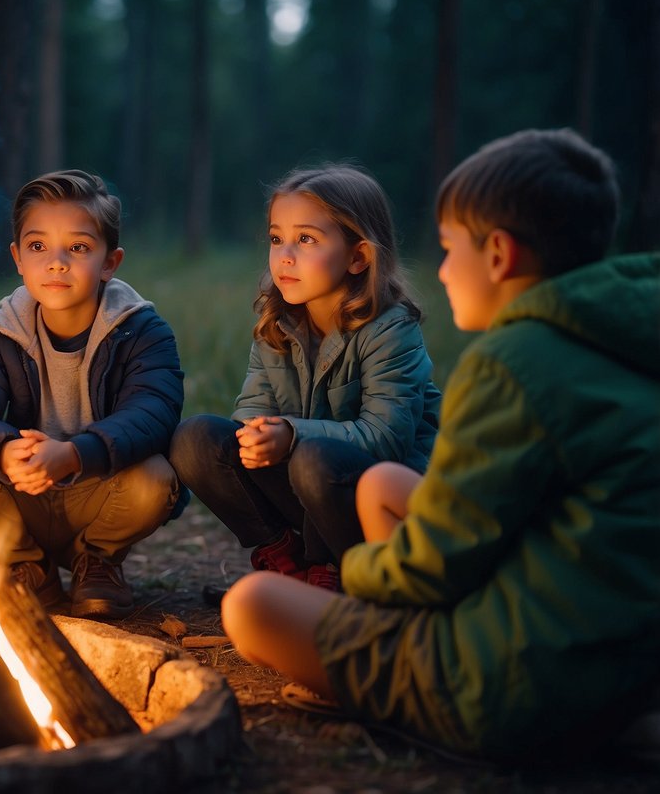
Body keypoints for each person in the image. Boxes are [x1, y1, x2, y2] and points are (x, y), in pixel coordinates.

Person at [221, 128, 660, 761]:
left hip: (513, 680)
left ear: (501, 256)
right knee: (383, 484)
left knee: (253, 606)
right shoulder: (622, 336)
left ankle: (391, 690)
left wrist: (360, 582)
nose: (444, 270)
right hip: (615, 652)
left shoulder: (513, 364)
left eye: (451, 249)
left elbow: (440, 557)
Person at [170, 164, 440, 590]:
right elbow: (254, 406)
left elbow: (388, 439)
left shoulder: (391, 329)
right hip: (303, 488)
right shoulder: (277, 322)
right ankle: (285, 559)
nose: (285, 255)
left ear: (358, 257)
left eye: (306, 239)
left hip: (371, 504)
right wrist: (256, 435)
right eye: (277, 239)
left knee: (313, 459)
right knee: (194, 439)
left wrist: (291, 436)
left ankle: (332, 570)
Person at [0, 169, 185, 619]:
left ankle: (99, 560)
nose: (56, 262)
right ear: (16, 257)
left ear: (110, 262)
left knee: (156, 477)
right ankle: (26, 568)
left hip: (101, 489)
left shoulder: (141, 329)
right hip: (23, 488)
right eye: (38, 247)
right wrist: (6, 447)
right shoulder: (1, 330)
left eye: (78, 248)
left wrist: (74, 454)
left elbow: (155, 411)